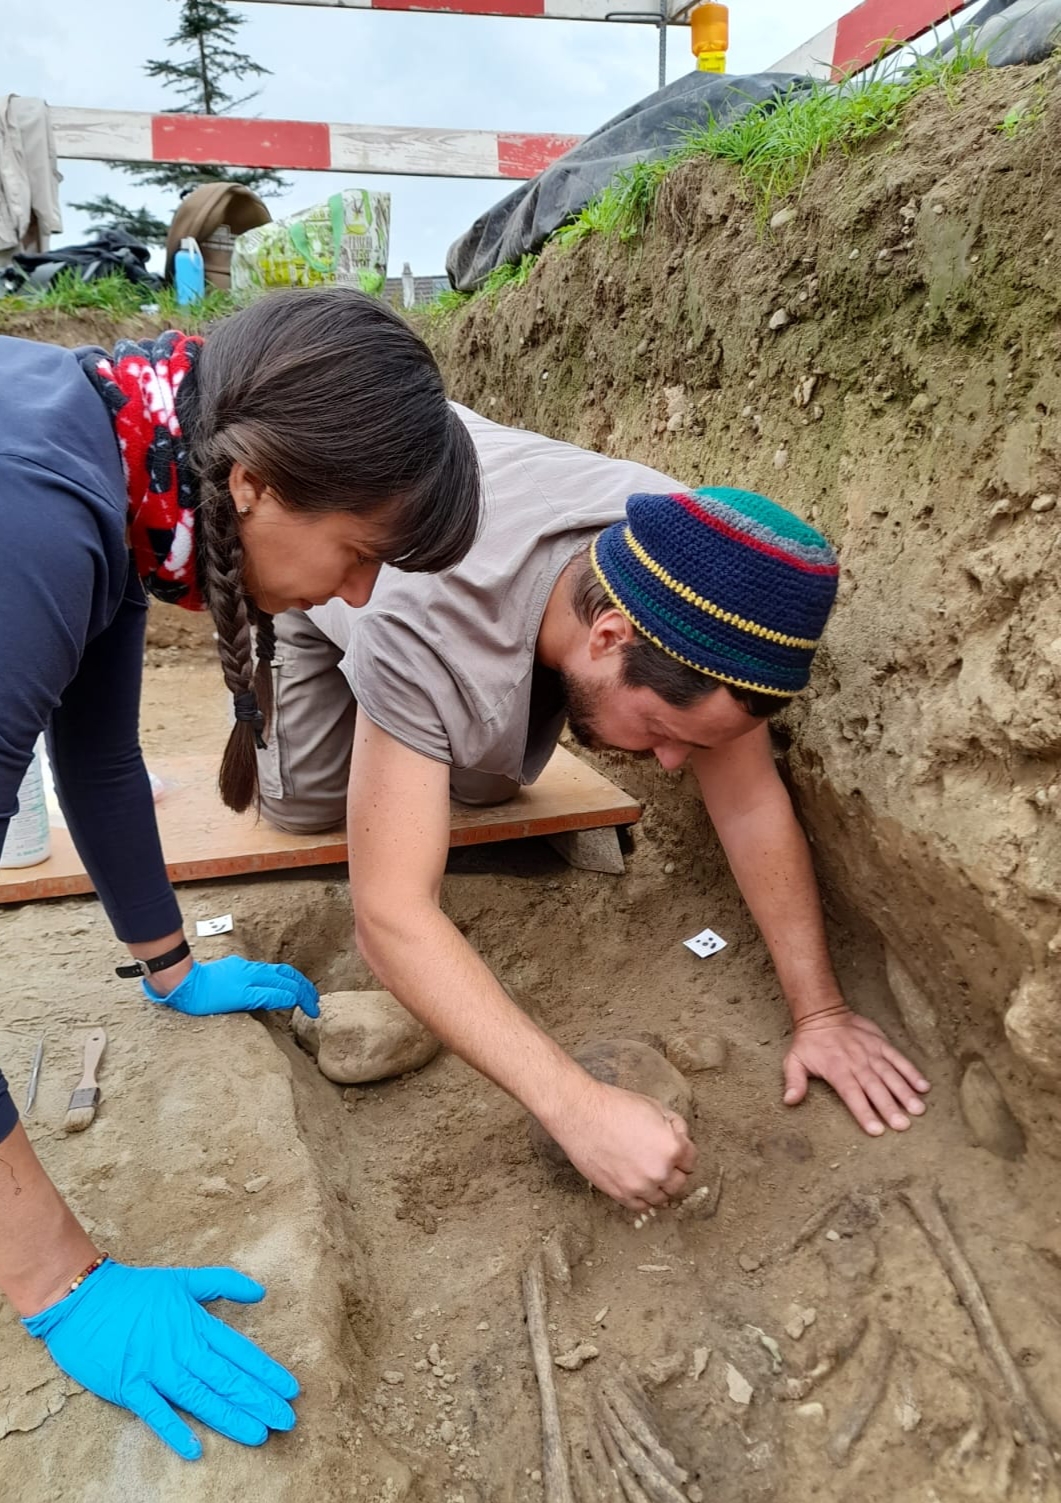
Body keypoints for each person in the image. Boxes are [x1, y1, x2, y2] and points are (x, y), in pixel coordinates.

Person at [0, 288, 480, 1460]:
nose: (359, 595)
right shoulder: (39, 514)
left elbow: (97, 758)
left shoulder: (127, 462)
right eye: (358, 553)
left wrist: (171, 965)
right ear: (256, 484)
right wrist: (59, 1279)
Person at [253, 405, 932, 1213]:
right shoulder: (425, 622)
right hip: (336, 591)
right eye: (664, 731)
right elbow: (390, 914)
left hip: (490, 607)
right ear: (609, 635)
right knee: (303, 801)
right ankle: (342, 680)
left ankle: (422, 732)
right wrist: (575, 1107)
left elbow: (750, 801)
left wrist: (821, 1011)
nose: (672, 763)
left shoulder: (700, 574)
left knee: (483, 777)